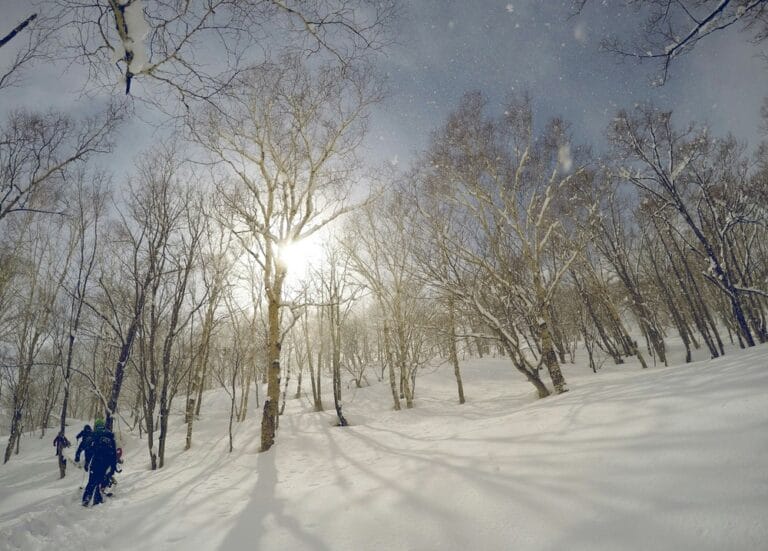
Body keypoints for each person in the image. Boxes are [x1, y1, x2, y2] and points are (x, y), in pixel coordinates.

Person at [81, 419, 117, 507]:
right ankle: (97, 500)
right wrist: (113, 467)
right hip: (106, 462)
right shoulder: (110, 435)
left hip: (96, 461)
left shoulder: (95, 435)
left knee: (92, 481)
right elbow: (114, 453)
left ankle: (86, 499)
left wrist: (87, 462)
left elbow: (89, 450)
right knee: (100, 481)